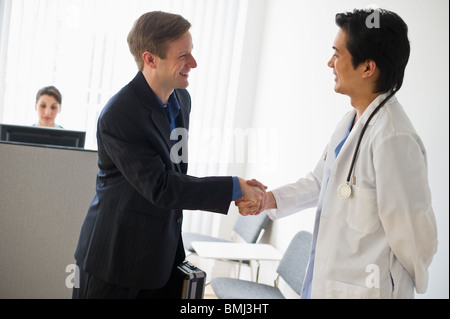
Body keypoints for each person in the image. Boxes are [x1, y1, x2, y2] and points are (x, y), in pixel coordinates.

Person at [237, 8, 437, 299]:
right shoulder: (350, 122)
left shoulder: (393, 137)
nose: (330, 62)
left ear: (368, 67)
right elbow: (320, 183)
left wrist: (390, 282)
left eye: (337, 53)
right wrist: (268, 199)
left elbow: (415, 238)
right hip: (327, 284)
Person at [73, 11, 265, 299]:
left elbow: (176, 173)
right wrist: (234, 187)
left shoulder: (181, 99)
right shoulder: (120, 114)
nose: (194, 63)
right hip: (116, 259)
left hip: (162, 252)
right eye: (183, 55)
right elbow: (162, 187)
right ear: (150, 59)